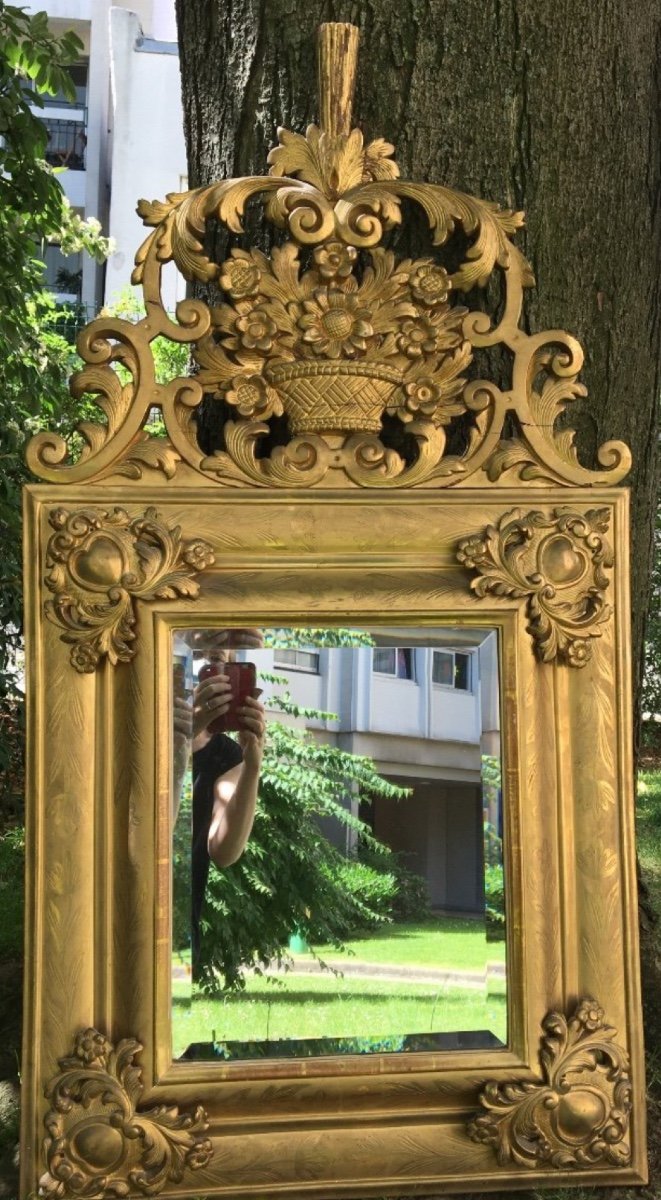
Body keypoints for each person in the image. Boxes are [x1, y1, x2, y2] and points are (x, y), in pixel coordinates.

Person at [172, 628, 266, 967]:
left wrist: (253, 766)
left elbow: (225, 852)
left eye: (217, 660)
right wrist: (185, 732)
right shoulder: (142, 730)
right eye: (198, 654)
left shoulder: (227, 755)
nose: (206, 671)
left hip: (180, 928)